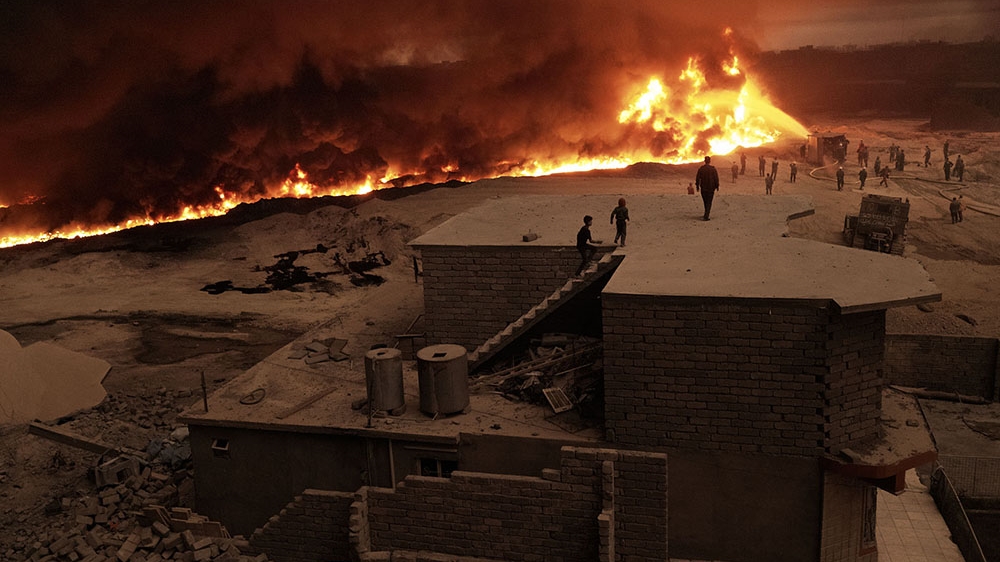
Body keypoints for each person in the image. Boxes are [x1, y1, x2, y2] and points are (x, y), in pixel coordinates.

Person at [695, 155, 720, 221]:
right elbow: (716, 178)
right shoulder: (713, 169)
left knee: (705, 201)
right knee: (709, 201)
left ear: (704, 161)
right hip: (711, 188)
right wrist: (717, 186)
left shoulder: (701, 169)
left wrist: (697, 186)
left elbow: (697, 178)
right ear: (709, 161)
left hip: (703, 188)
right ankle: (706, 215)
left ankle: (706, 214)